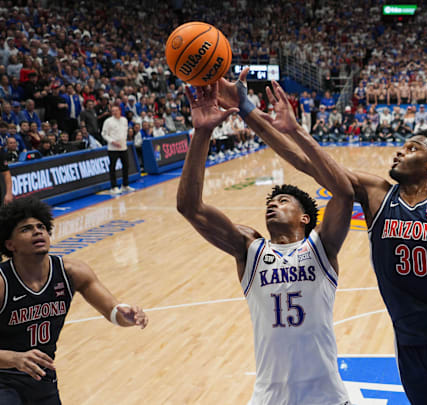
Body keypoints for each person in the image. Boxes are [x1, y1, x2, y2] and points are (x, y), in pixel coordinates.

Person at [216, 72, 427, 405]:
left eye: (412, 148)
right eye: (402, 147)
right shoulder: (377, 196)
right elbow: (305, 161)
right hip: (410, 346)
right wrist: (247, 109)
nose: (400, 153)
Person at [176, 82, 353, 405]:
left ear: (304, 218)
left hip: (326, 396)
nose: (273, 204)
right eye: (271, 202)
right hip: (269, 397)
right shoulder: (250, 248)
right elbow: (190, 208)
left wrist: (297, 131)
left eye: (284, 201)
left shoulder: (321, 247)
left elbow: (343, 192)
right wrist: (201, 133)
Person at [0, 197, 148, 404]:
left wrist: (127, 316)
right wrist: (12, 359)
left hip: (42, 376)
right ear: (10, 244)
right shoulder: (2, 282)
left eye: (41, 226)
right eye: (26, 229)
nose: (37, 231)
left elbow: (113, 312)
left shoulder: (73, 272)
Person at [101, 105, 133, 194]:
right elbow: (104, 134)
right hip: (112, 148)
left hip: (123, 147)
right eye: (113, 111)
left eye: (116, 110)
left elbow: (125, 131)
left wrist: (124, 140)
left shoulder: (124, 120)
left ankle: (125, 185)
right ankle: (113, 186)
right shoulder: (108, 121)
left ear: (120, 111)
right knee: (112, 167)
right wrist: (112, 141)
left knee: (126, 166)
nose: (114, 112)